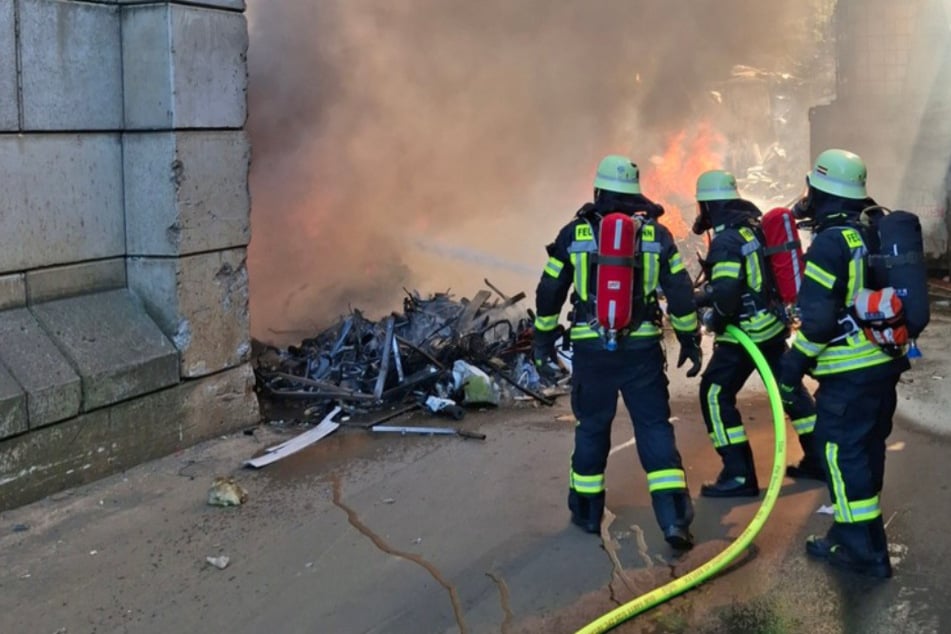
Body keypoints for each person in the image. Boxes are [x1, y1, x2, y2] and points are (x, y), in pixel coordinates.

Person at [532, 154, 701, 550]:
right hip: (641, 349)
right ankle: (674, 519)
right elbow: (678, 291)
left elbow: (549, 291)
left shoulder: (575, 233)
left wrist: (542, 341)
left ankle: (587, 514)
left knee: (592, 427)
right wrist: (690, 339)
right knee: (655, 428)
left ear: (598, 191)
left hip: (592, 351)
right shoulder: (657, 235)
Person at [780, 148, 910, 578]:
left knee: (839, 452)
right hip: (883, 365)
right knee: (867, 449)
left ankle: (863, 552)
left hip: (849, 375)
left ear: (824, 192)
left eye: (812, 190)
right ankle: (853, 531)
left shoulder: (830, 244)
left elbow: (817, 320)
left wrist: (794, 362)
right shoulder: (872, 231)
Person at [690, 170, 824, 498]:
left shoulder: (726, 239)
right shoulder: (754, 227)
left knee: (714, 393)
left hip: (744, 334)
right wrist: (703, 295)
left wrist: (713, 318)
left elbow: (727, 293)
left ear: (709, 205)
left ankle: (738, 475)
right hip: (771, 326)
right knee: (788, 390)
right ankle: (819, 459)